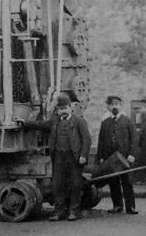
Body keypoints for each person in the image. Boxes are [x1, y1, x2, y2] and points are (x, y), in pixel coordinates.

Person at [17, 93, 91, 221]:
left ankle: (74, 211)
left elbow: (87, 140)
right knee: (57, 185)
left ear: (70, 108)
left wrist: (83, 155)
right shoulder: (54, 121)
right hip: (58, 158)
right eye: (60, 108)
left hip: (74, 158)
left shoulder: (79, 121)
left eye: (65, 108)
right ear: (57, 110)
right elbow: (40, 124)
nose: (63, 111)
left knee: (75, 184)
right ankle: (59, 211)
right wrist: (25, 123)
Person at [97, 95, 138, 214]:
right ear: (109, 107)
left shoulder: (128, 121)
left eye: (117, 104)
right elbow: (101, 140)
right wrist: (100, 157)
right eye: (112, 104)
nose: (115, 106)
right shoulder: (105, 123)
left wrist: (132, 154)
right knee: (113, 182)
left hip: (125, 157)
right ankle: (117, 205)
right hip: (110, 158)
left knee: (127, 182)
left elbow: (134, 139)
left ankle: (131, 207)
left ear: (121, 106)